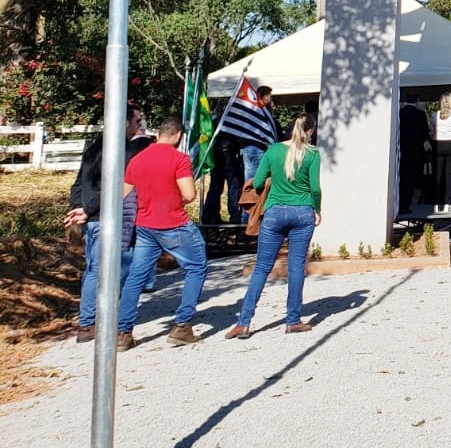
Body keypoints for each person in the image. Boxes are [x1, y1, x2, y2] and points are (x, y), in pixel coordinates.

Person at [117, 117, 209, 349]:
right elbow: (189, 194)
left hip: (145, 225)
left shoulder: (137, 159)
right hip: (173, 222)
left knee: (136, 276)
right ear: (178, 136)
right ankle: (182, 325)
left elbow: (123, 193)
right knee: (196, 267)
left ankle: (123, 332)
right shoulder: (179, 158)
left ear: (158, 134)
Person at [228, 113, 321, 338]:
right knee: (296, 266)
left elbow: (259, 181)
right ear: (310, 131)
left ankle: (244, 322)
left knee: (262, 267)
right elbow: (315, 188)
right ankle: (293, 320)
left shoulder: (273, 150)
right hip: (302, 212)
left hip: (274, 211)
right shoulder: (313, 154)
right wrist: (317, 209)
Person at [64, 106, 150, 342]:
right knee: (110, 269)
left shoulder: (94, 148)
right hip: (106, 218)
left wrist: (78, 207)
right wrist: (86, 210)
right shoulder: (117, 150)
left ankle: (90, 320)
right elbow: (114, 187)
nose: (139, 126)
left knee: (94, 269)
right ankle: (93, 321)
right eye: (137, 121)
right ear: (125, 122)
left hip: (92, 218)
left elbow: (79, 183)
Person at [397, 97, 430, 213]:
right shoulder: (420, 114)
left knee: (401, 179)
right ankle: (406, 204)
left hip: (401, 150)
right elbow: (425, 133)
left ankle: (399, 204)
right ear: (416, 101)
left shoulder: (400, 113)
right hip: (416, 151)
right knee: (411, 179)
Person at [432, 92, 451, 208]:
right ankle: (447, 203)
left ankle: (436, 202)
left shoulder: (435, 115)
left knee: (437, 174)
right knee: (449, 175)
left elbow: (432, 131)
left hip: (438, 144)